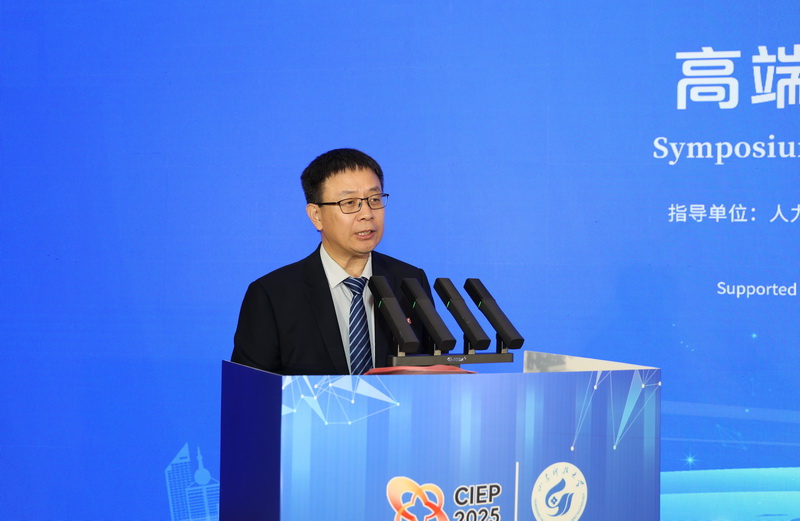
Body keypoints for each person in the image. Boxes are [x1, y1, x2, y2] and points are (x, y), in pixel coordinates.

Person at [231, 148, 432, 375]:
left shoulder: (409, 282)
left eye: (374, 199)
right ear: (316, 216)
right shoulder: (272, 296)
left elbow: (431, 375)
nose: (367, 213)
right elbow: (248, 391)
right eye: (349, 202)